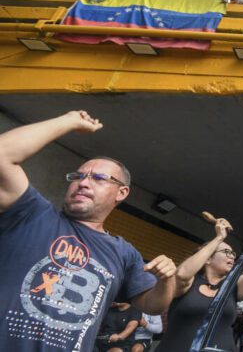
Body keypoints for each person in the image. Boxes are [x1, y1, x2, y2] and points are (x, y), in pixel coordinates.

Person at [0, 111, 177, 351]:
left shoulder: (124, 253)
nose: (83, 182)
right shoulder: (32, 214)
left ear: (121, 193)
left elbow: (153, 305)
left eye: (99, 178)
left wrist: (166, 281)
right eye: (78, 176)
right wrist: (68, 120)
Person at [155, 216, 243, 351]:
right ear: (208, 259)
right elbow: (181, 273)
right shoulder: (188, 282)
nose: (232, 256)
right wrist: (219, 238)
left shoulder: (232, 286)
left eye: (233, 253)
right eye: (226, 252)